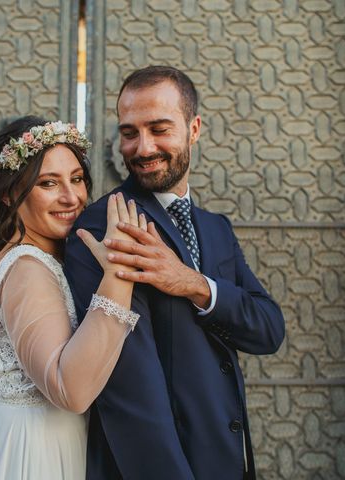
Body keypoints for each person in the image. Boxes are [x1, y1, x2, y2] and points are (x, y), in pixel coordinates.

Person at [64, 66, 286, 479]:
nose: (142, 148)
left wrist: (195, 284)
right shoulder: (103, 226)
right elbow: (129, 395)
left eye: (159, 129)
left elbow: (268, 329)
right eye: (129, 132)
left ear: (194, 128)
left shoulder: (217, 228)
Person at [0, 116, 148, 479]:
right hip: (35, 456)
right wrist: (119, 274)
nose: (71, 197)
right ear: (8, 193)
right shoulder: (27, 268)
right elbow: (71, 389)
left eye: (76, 179)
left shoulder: (38, 258)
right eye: (48, 183)